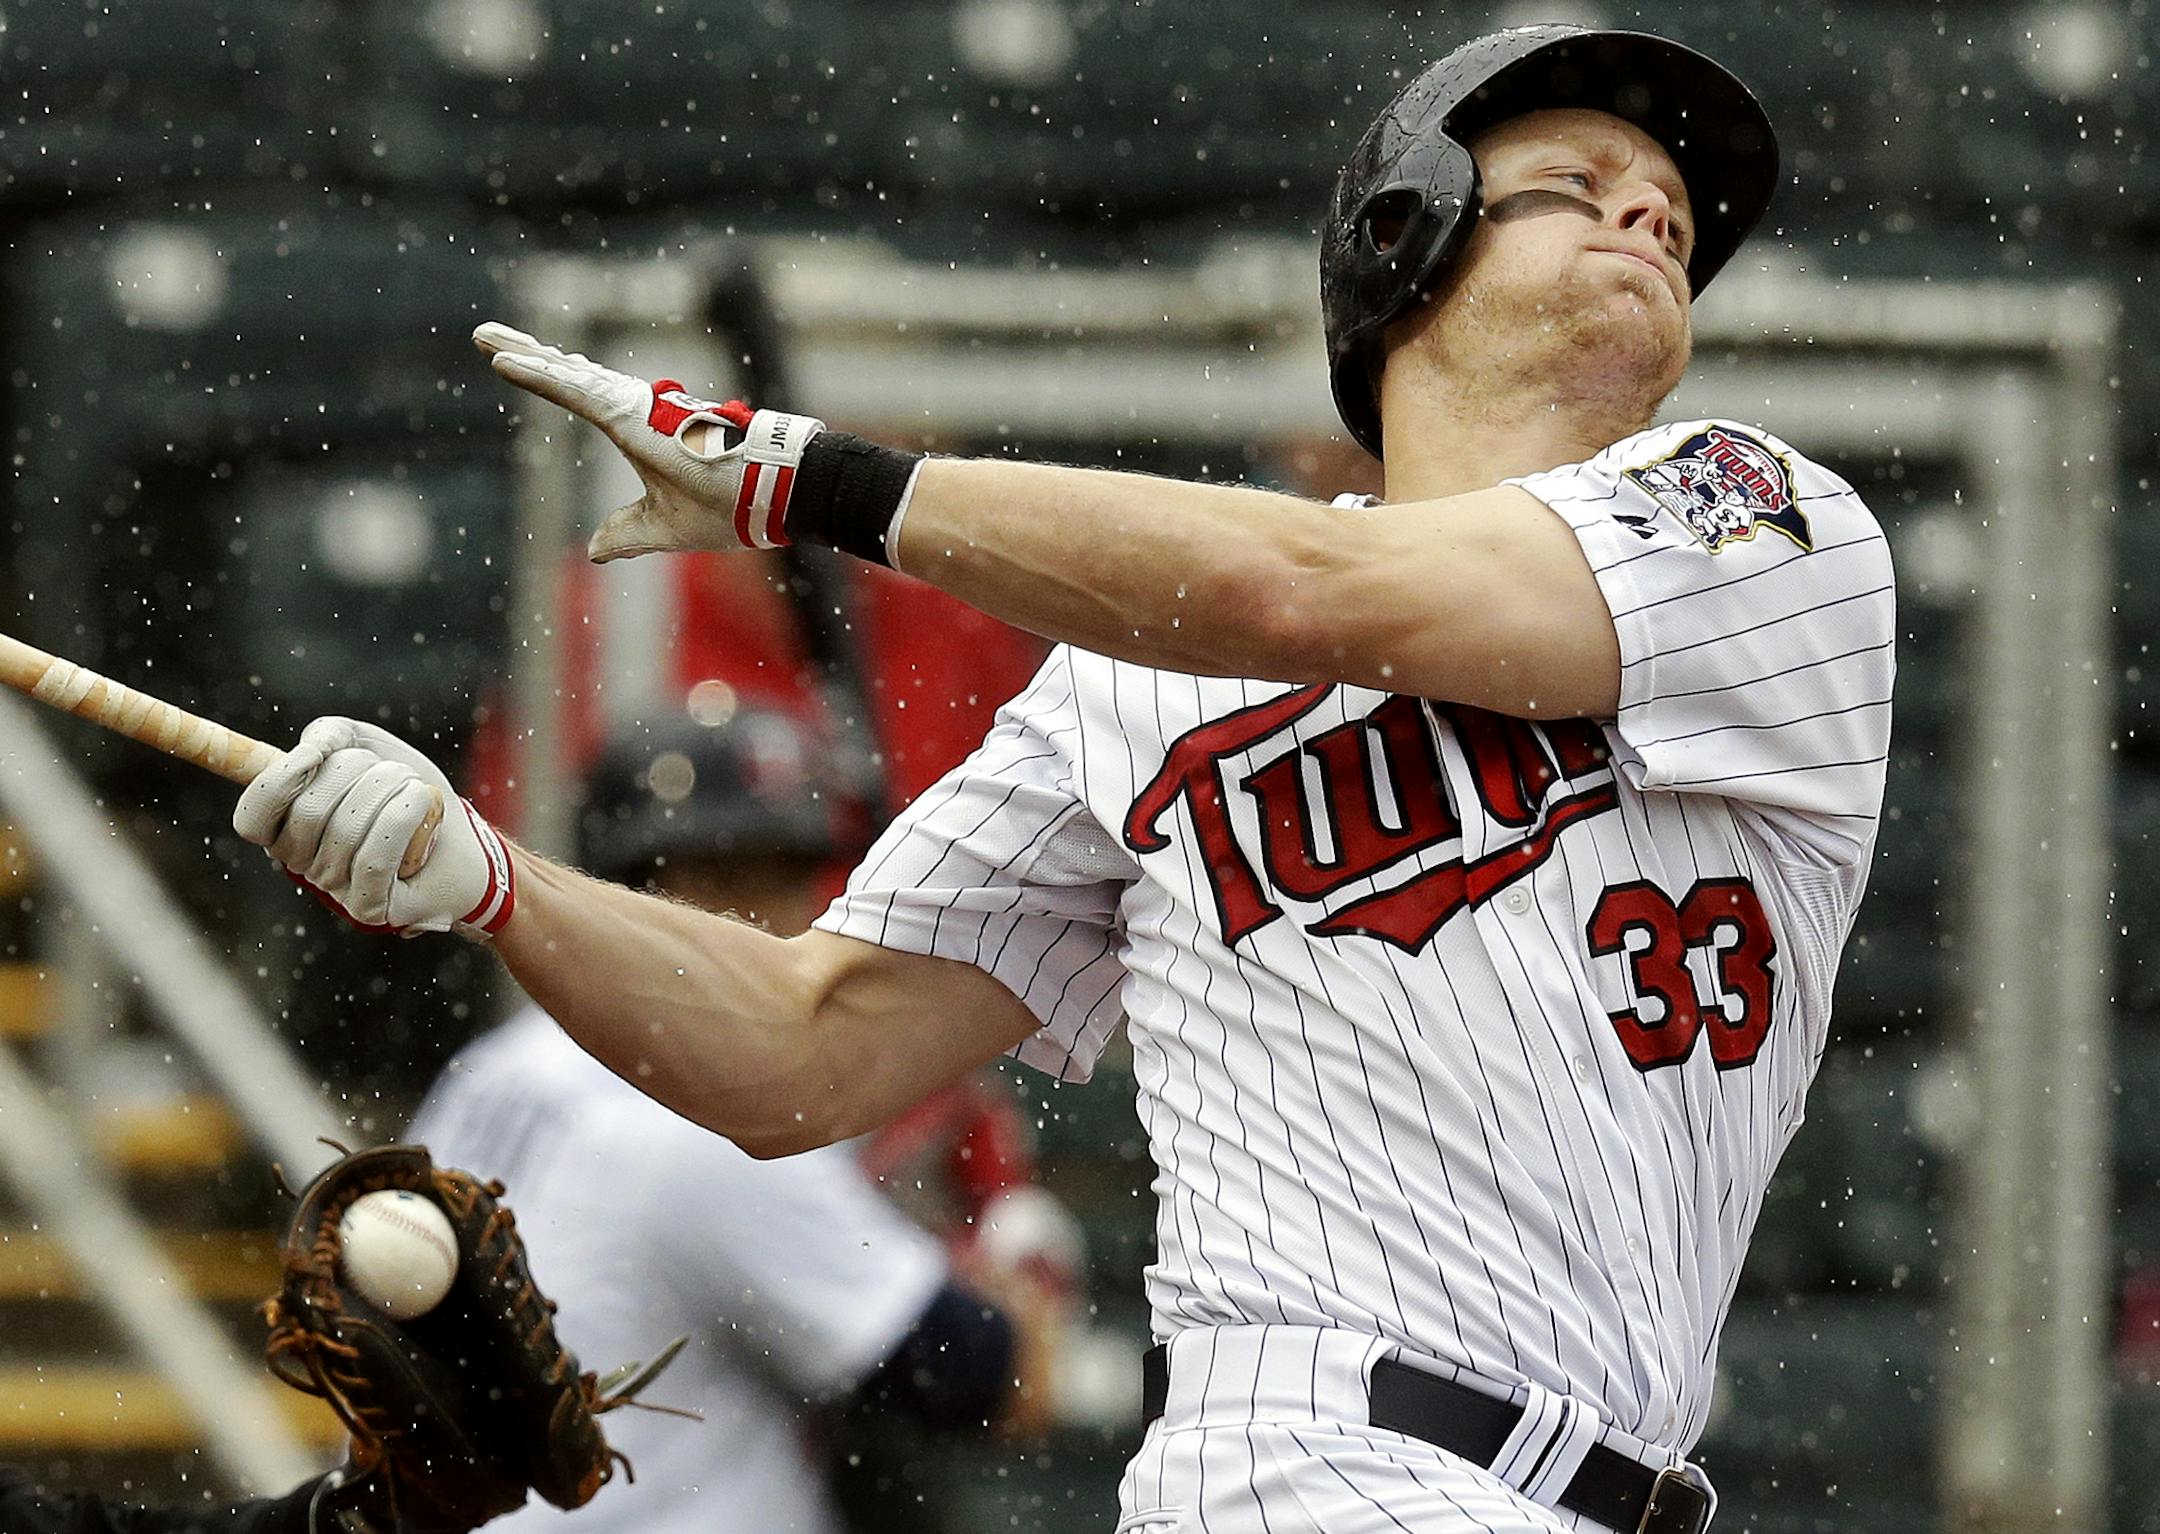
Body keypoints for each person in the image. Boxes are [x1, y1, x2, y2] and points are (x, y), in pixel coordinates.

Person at [233, 25, 1895, 1534]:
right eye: (1579, 181)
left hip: (1620, 1478)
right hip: (1300, 1468)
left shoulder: (1761, 527)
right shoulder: (1124, 679)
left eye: (1676, 206)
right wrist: (494, 884)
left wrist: (812, 481)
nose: (1648, 213)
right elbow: (802, 1049)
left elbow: (1300, 594)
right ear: (1409, 234)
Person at [403, 703, 1074, 1534]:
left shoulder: (496, 1070)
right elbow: (992, 1385)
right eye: (721, 878)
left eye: (786, 873)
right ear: (620, 887)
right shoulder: (707, 1123)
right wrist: (1027, 1263)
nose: (772, 916)